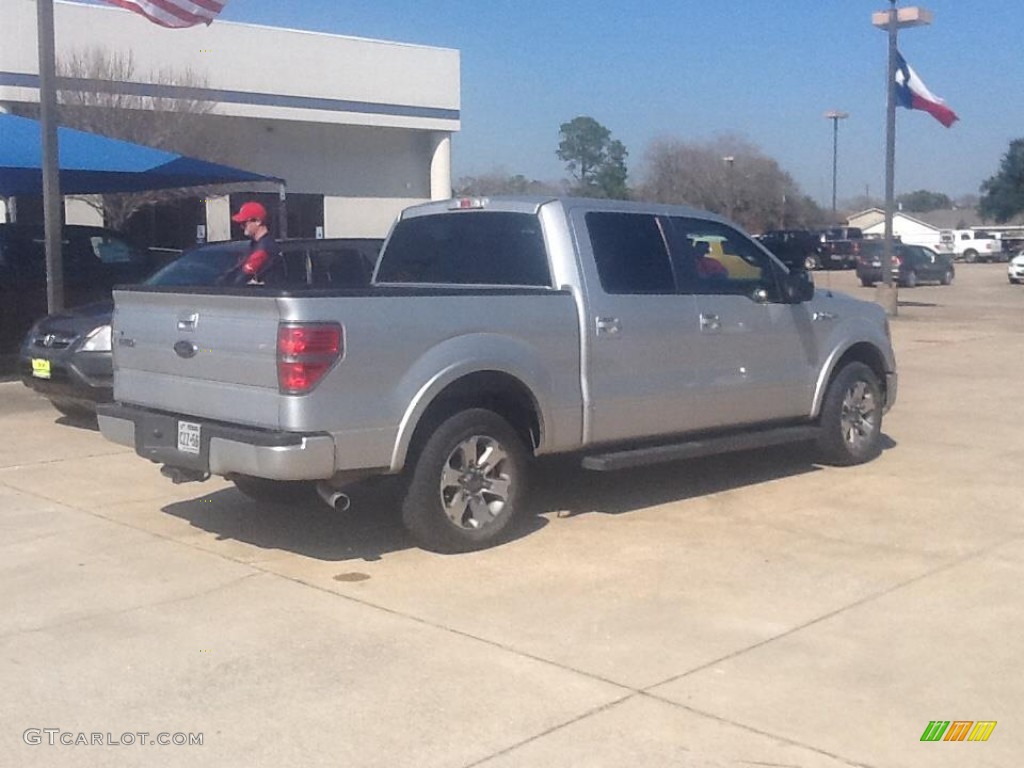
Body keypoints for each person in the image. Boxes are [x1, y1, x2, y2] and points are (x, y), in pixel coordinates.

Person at [218, 201, 285, 285]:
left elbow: (242, 277)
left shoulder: (264, 248)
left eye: (244, 223)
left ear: (258, 221)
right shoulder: (255, 245)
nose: (241, 227)